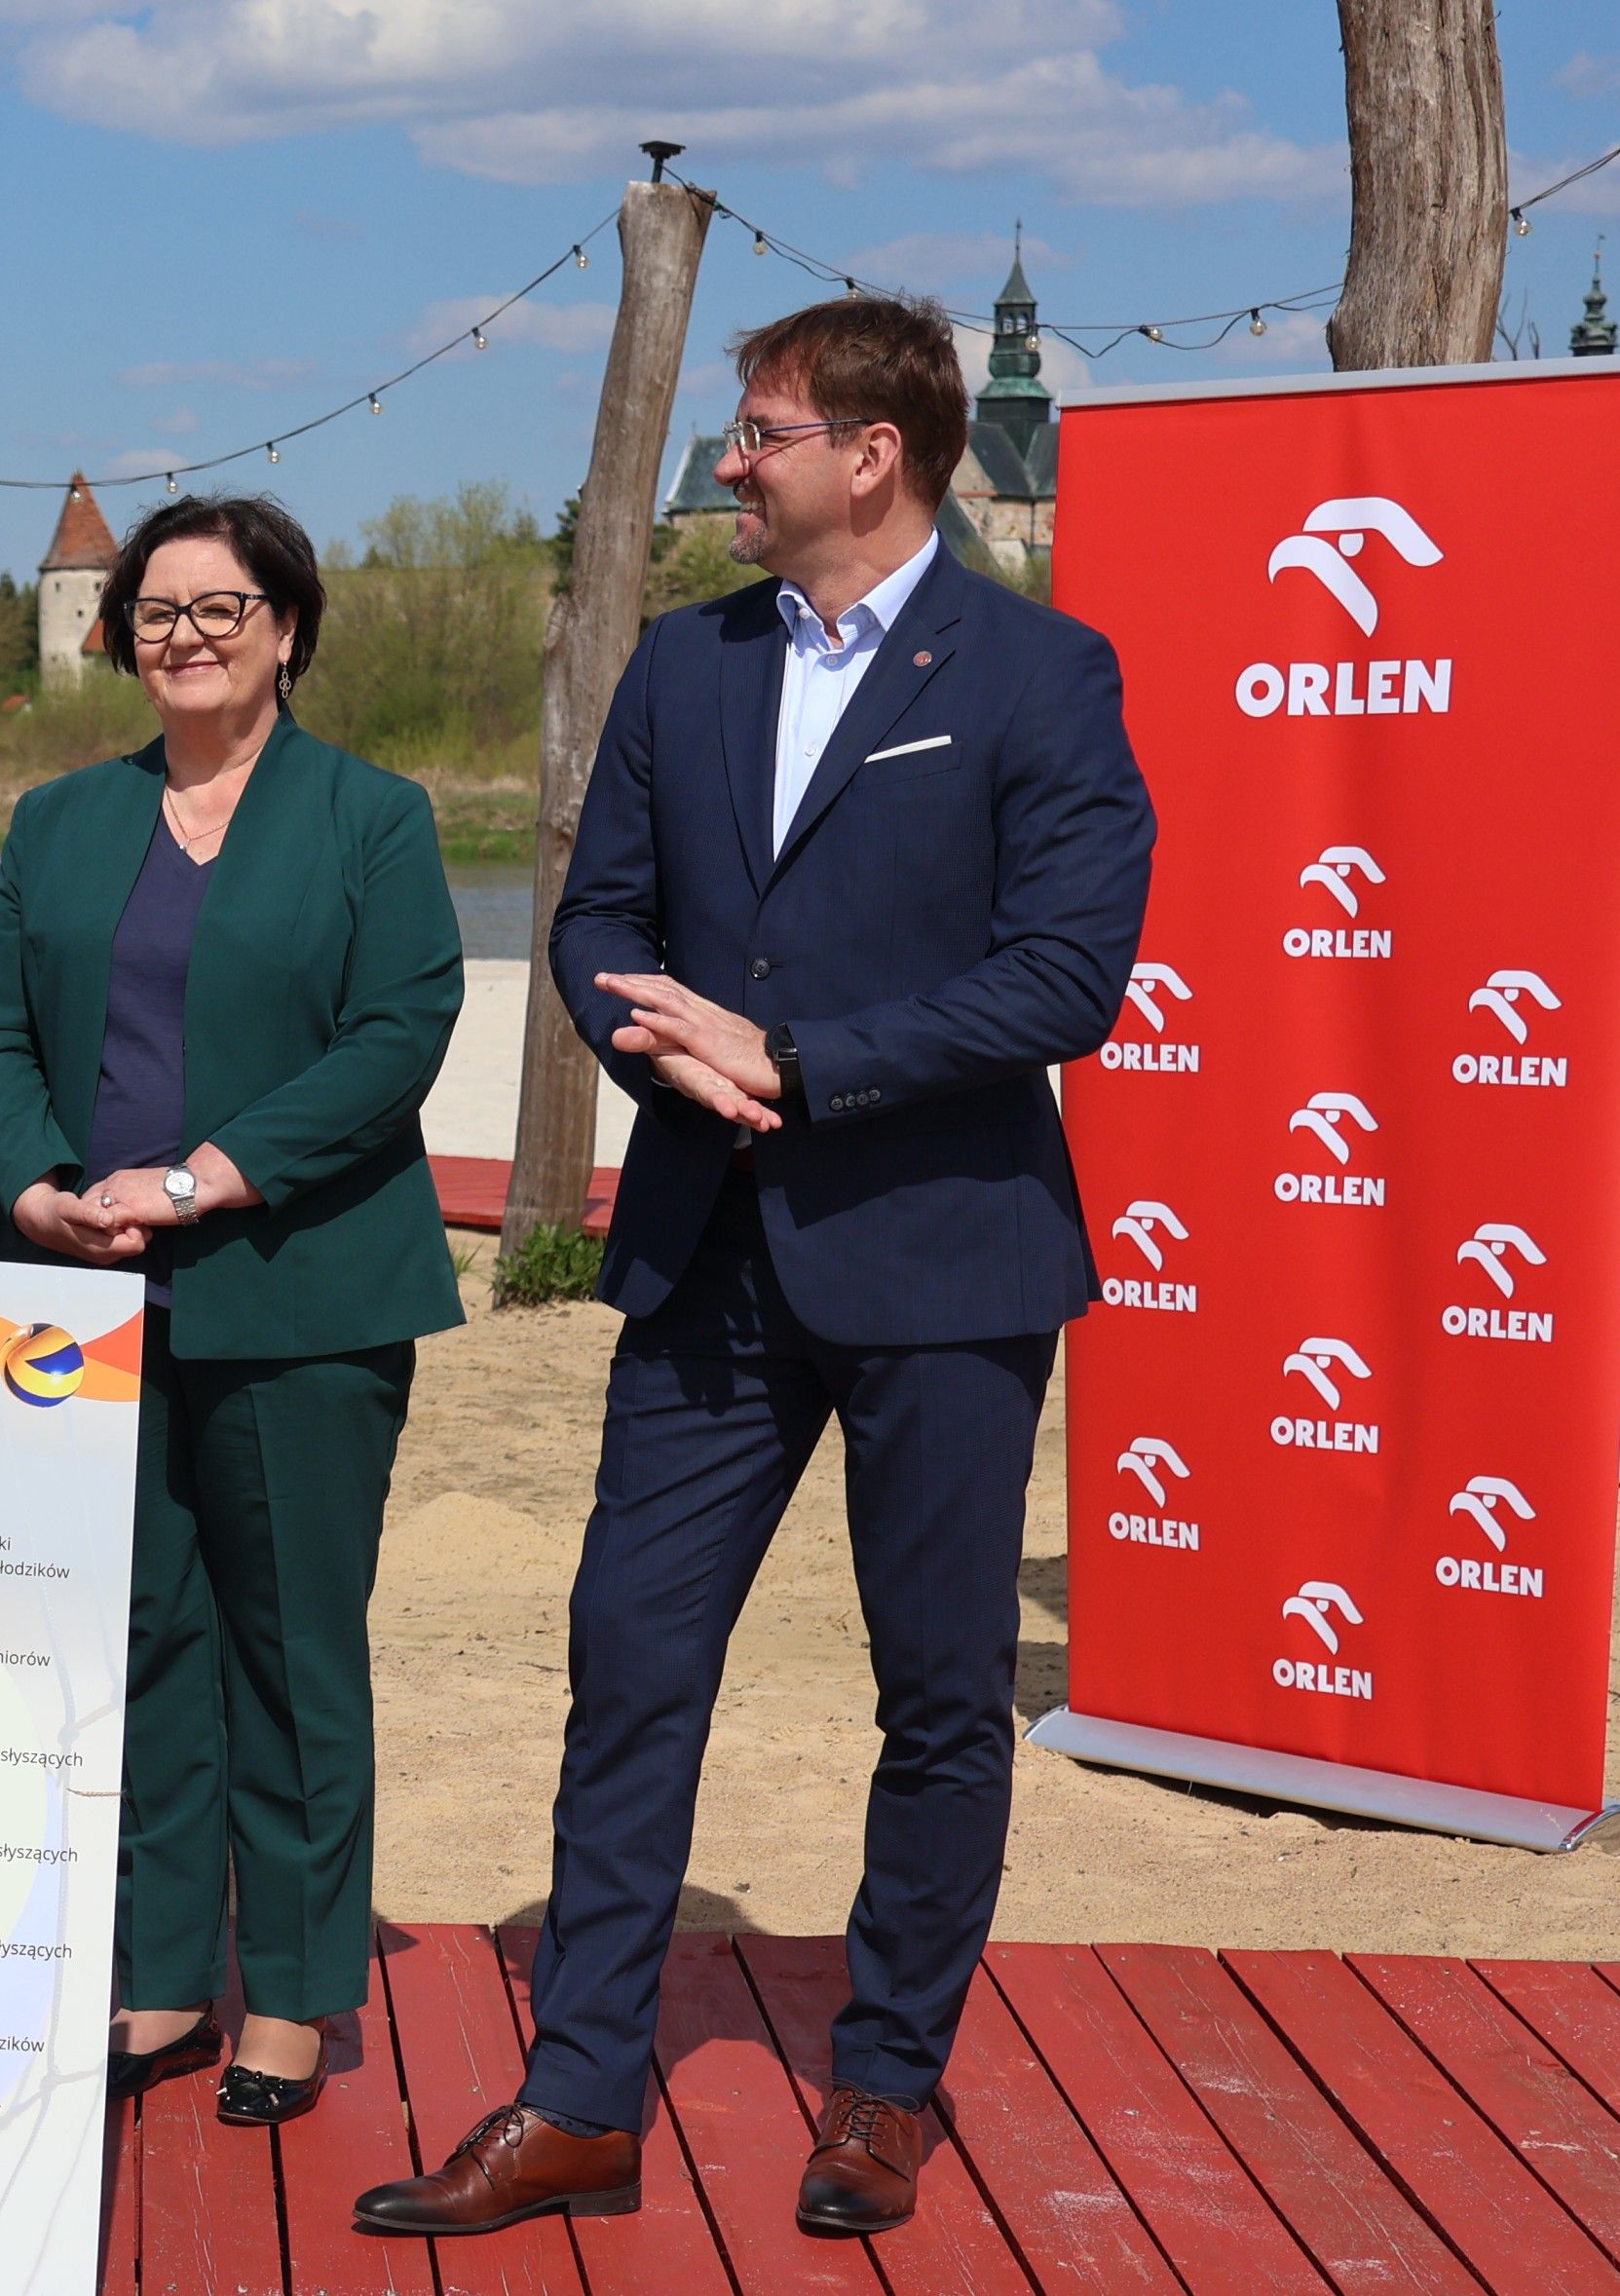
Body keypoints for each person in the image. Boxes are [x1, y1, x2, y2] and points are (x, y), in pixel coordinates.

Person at [356, 296, 1151, 2242]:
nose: (732, 459)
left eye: (765, 429)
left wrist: (798, 1059)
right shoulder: (683, 667)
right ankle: (579, 2095)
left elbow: (1069, 975)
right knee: (630, 1659)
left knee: (940, 1690)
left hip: (946, 1259)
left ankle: (882, 2088)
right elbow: (598, 904)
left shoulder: (1043, 673)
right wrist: (660, 1037)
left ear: (874, 453)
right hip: (707, 1248)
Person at [0, 494, 464, 2128]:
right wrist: (34, 1179)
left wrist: (208, 1178)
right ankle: (159, 1968)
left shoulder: (373, 818)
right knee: (142, 1634)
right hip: (77, 1295)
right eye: (153, 610)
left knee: (291, 1647)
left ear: (289, 629)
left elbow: (398, 1035)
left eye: (218, 607)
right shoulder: (56, 822)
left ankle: (299, 1991)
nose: (181, 634)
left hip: (293, 1288)